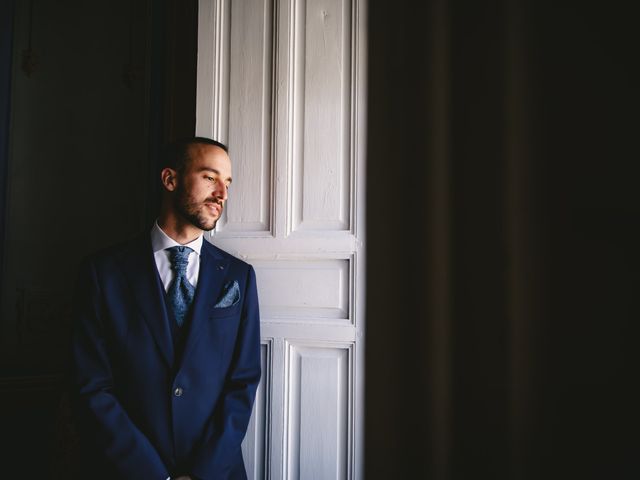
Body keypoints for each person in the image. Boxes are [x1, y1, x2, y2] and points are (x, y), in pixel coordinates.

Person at [71, 137, 261, 480]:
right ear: (170, 180)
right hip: (125, 469)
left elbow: (243, 382)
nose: (222, 194)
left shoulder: (239, 277)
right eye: (209, 177)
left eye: (227, 183)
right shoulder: (103, 273)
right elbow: (92, 386)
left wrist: (203, 471)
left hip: (215, 471)